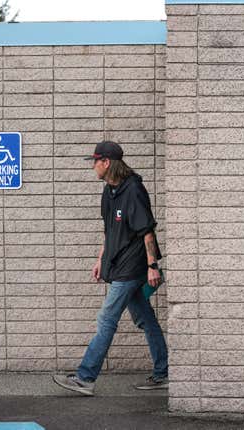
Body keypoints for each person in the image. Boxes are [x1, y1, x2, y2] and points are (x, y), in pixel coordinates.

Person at [53, 140, 168, 396]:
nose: (93, 166)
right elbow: (110, 231)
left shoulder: (134, 190)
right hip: (118, 265)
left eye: (95, 161)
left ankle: (85, 378)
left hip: (133, 266)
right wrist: (100, 259)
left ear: (106, 163)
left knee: (107, 318)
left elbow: (146, 231)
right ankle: (164, 372)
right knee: (145, 319)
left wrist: (152, 266)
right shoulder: (109, 191)